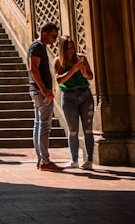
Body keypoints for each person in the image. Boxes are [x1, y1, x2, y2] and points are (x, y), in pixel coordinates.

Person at [54, 35, 95, 170]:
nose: (71, 51)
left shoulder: (81, 58)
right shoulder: (58, 62)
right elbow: (59, 80)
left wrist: (84, 73)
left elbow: (90, 76)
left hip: (85, 95)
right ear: (62, 50)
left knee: (88, 130)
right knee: (73, 130)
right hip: (69, 97)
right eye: (67, 49)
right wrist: (73, 70)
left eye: (72, 48)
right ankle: (74, 159)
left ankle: (89, 160)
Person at [29, 23, 63, 171]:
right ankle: (45, 160)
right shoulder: (37, 47)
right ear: (44, 34)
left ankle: (41, 159)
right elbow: (33, 69)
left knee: (39, 125)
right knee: (44, 126)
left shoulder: (37, 47)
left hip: (37, 90)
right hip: (40, 91)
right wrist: (44, 90)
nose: (55, 40)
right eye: (53, 36)